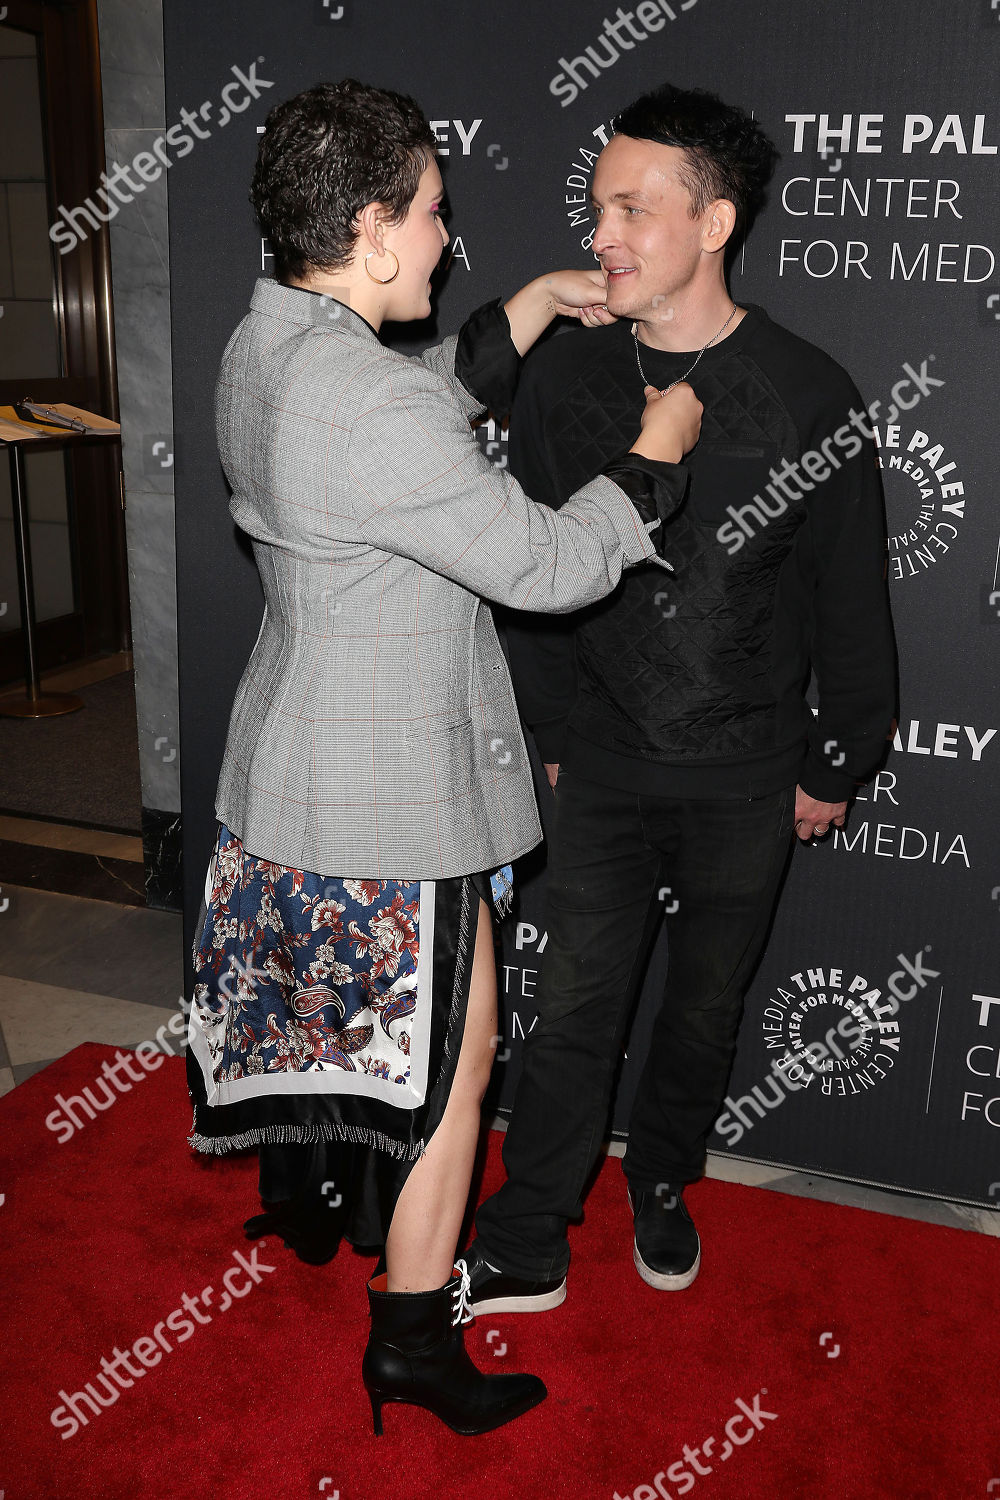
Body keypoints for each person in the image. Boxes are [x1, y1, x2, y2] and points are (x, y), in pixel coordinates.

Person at [184, 78, 701, 1437]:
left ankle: (310, 1202)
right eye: (430, 213)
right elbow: (542, 563)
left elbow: (385, 406)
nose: (447, 236)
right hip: (395, 797)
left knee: (341, 1033)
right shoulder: (367, 408)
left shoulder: (266, 339)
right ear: (366, 229)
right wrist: (651, 463)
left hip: (291, 771)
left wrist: (521, 317)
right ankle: (410, 1344)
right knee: (451, 1070)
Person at [465, 83, 896, 1313]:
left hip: (749, 779)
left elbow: (848, 601)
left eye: (630, 209)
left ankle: (660, 1179)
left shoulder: (807, 390)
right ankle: (530, 1233)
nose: (601, 233)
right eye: (598, 205)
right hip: (598, 765)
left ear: (713, 224)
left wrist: (836, 763)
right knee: (572, 1017)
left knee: (702, 1015)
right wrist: (547, 732)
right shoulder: (563, 381)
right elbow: (531, 573)